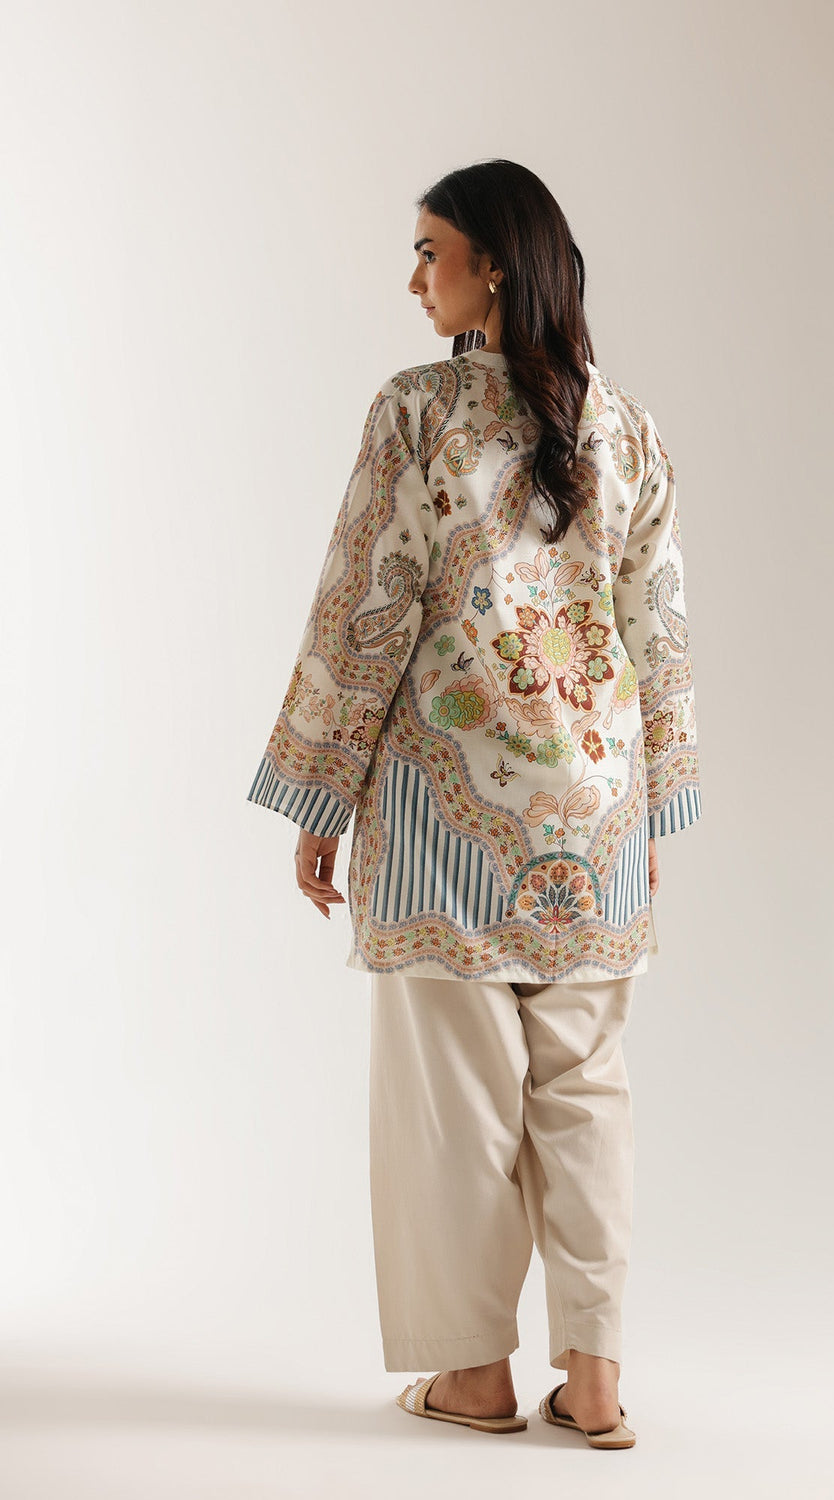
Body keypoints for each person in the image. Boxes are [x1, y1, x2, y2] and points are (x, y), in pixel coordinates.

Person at [247, 159, 702, 1448]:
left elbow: (366, 609)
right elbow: (659, 632)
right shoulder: (627, 425)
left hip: (446, 813)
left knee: (456, 1102)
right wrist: (648, 808)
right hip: (592, 813)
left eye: (428, 251)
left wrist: (321, 794)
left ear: (492, 264)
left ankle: (474, 1378)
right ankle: (596, 1381)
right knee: (586, 1094)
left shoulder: (417, 414)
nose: (414, 280)